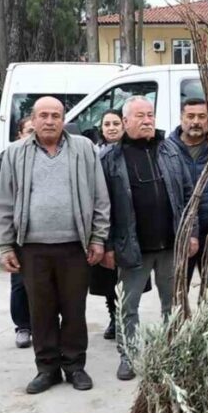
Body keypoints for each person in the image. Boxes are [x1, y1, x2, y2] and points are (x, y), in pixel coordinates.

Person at [0, 96, 110, 394]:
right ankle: (47, 368)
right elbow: (5, 202)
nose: (49, 121)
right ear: (32, 120)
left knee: (74, 309)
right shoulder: (15, 153)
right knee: (41, 311)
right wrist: (6, 245)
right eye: (43, 115)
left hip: (75, 246)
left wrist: (98, 237)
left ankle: (74, 366)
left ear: (63, 119)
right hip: (32, 248)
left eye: (55, 115)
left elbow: (100, 196)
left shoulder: (84, 149)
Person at [100, 96, 197, 381]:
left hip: (170, 244)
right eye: (139, 116)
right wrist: (106, 246)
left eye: (150, 114)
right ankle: (128, 355)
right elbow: (101, 207)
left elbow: (190, 194)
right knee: (127, 306)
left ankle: (172, 351)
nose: (147, 120)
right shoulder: (109, 159)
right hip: (132, 247)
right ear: (125, 121)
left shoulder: (170, 151)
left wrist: (191, 233)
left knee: (174, 303)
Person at [168, 98, 208, 280]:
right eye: (190, 116)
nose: (196, 121)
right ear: (182, 118)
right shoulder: (168, 149)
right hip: (180, 230)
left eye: (201, 116)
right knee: (178, 287)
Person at [91, 109, 125, 341]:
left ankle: (126, 318)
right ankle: (114, 317)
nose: (111, 127)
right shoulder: (95, 155)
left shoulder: (131, 153)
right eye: (107, 124)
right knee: (107, 279)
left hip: (127, 225)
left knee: (129, 279)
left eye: (116, 123)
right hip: (103, 224)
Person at [7, 116, 35, 349]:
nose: (33, 134)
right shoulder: (10, 158)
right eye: (29, 130)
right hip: (20, 234)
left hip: (47, 237)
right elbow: (1, 200)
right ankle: (23, 326)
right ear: (20, 134)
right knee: (19, 284)